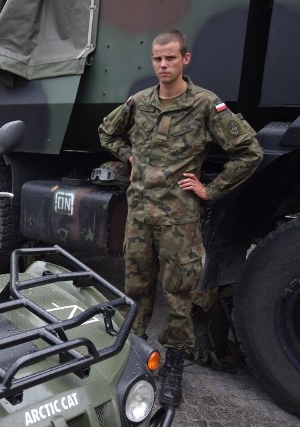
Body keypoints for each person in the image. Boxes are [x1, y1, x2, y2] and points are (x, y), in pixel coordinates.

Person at [98, 30, 263, 406]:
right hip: (139, 215)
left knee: (179, 296)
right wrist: (128, 154)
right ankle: (133, 357)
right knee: (136, 291)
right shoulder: (140, 102)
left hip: (179, 220)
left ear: (185, 59)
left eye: (170, 58)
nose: (163, 65)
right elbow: (107, 132)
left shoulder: (205, 105)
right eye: (157, 59)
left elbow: (249, 151)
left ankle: (173, 364)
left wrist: (212, 188)